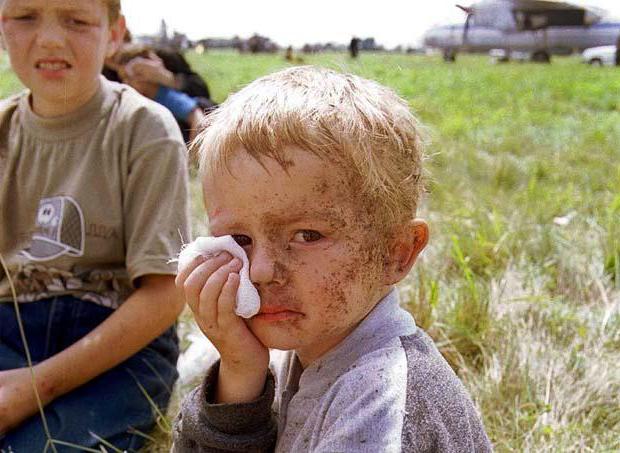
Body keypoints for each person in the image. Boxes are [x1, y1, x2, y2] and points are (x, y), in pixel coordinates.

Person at [172, 66, 492, 452]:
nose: (260, 271)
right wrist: (240, 371)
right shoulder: (297, 351)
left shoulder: (380, 401)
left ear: (398, 252)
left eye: (307, 236)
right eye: (240, 239)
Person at [0, 0, 190, 451]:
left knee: (44, 447)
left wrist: (34, 388)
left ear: (114, 34)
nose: (48, 38)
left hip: (116, 341)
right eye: (25, 17)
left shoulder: (146, 130)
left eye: (77, 20)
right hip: (10, 325)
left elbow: (165, 293)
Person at [104, 39, 217, 142]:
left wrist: (167, 78)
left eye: (129, 78)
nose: (126, 84)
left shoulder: (162, 95)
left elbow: (195, 112)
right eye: (123, 78)